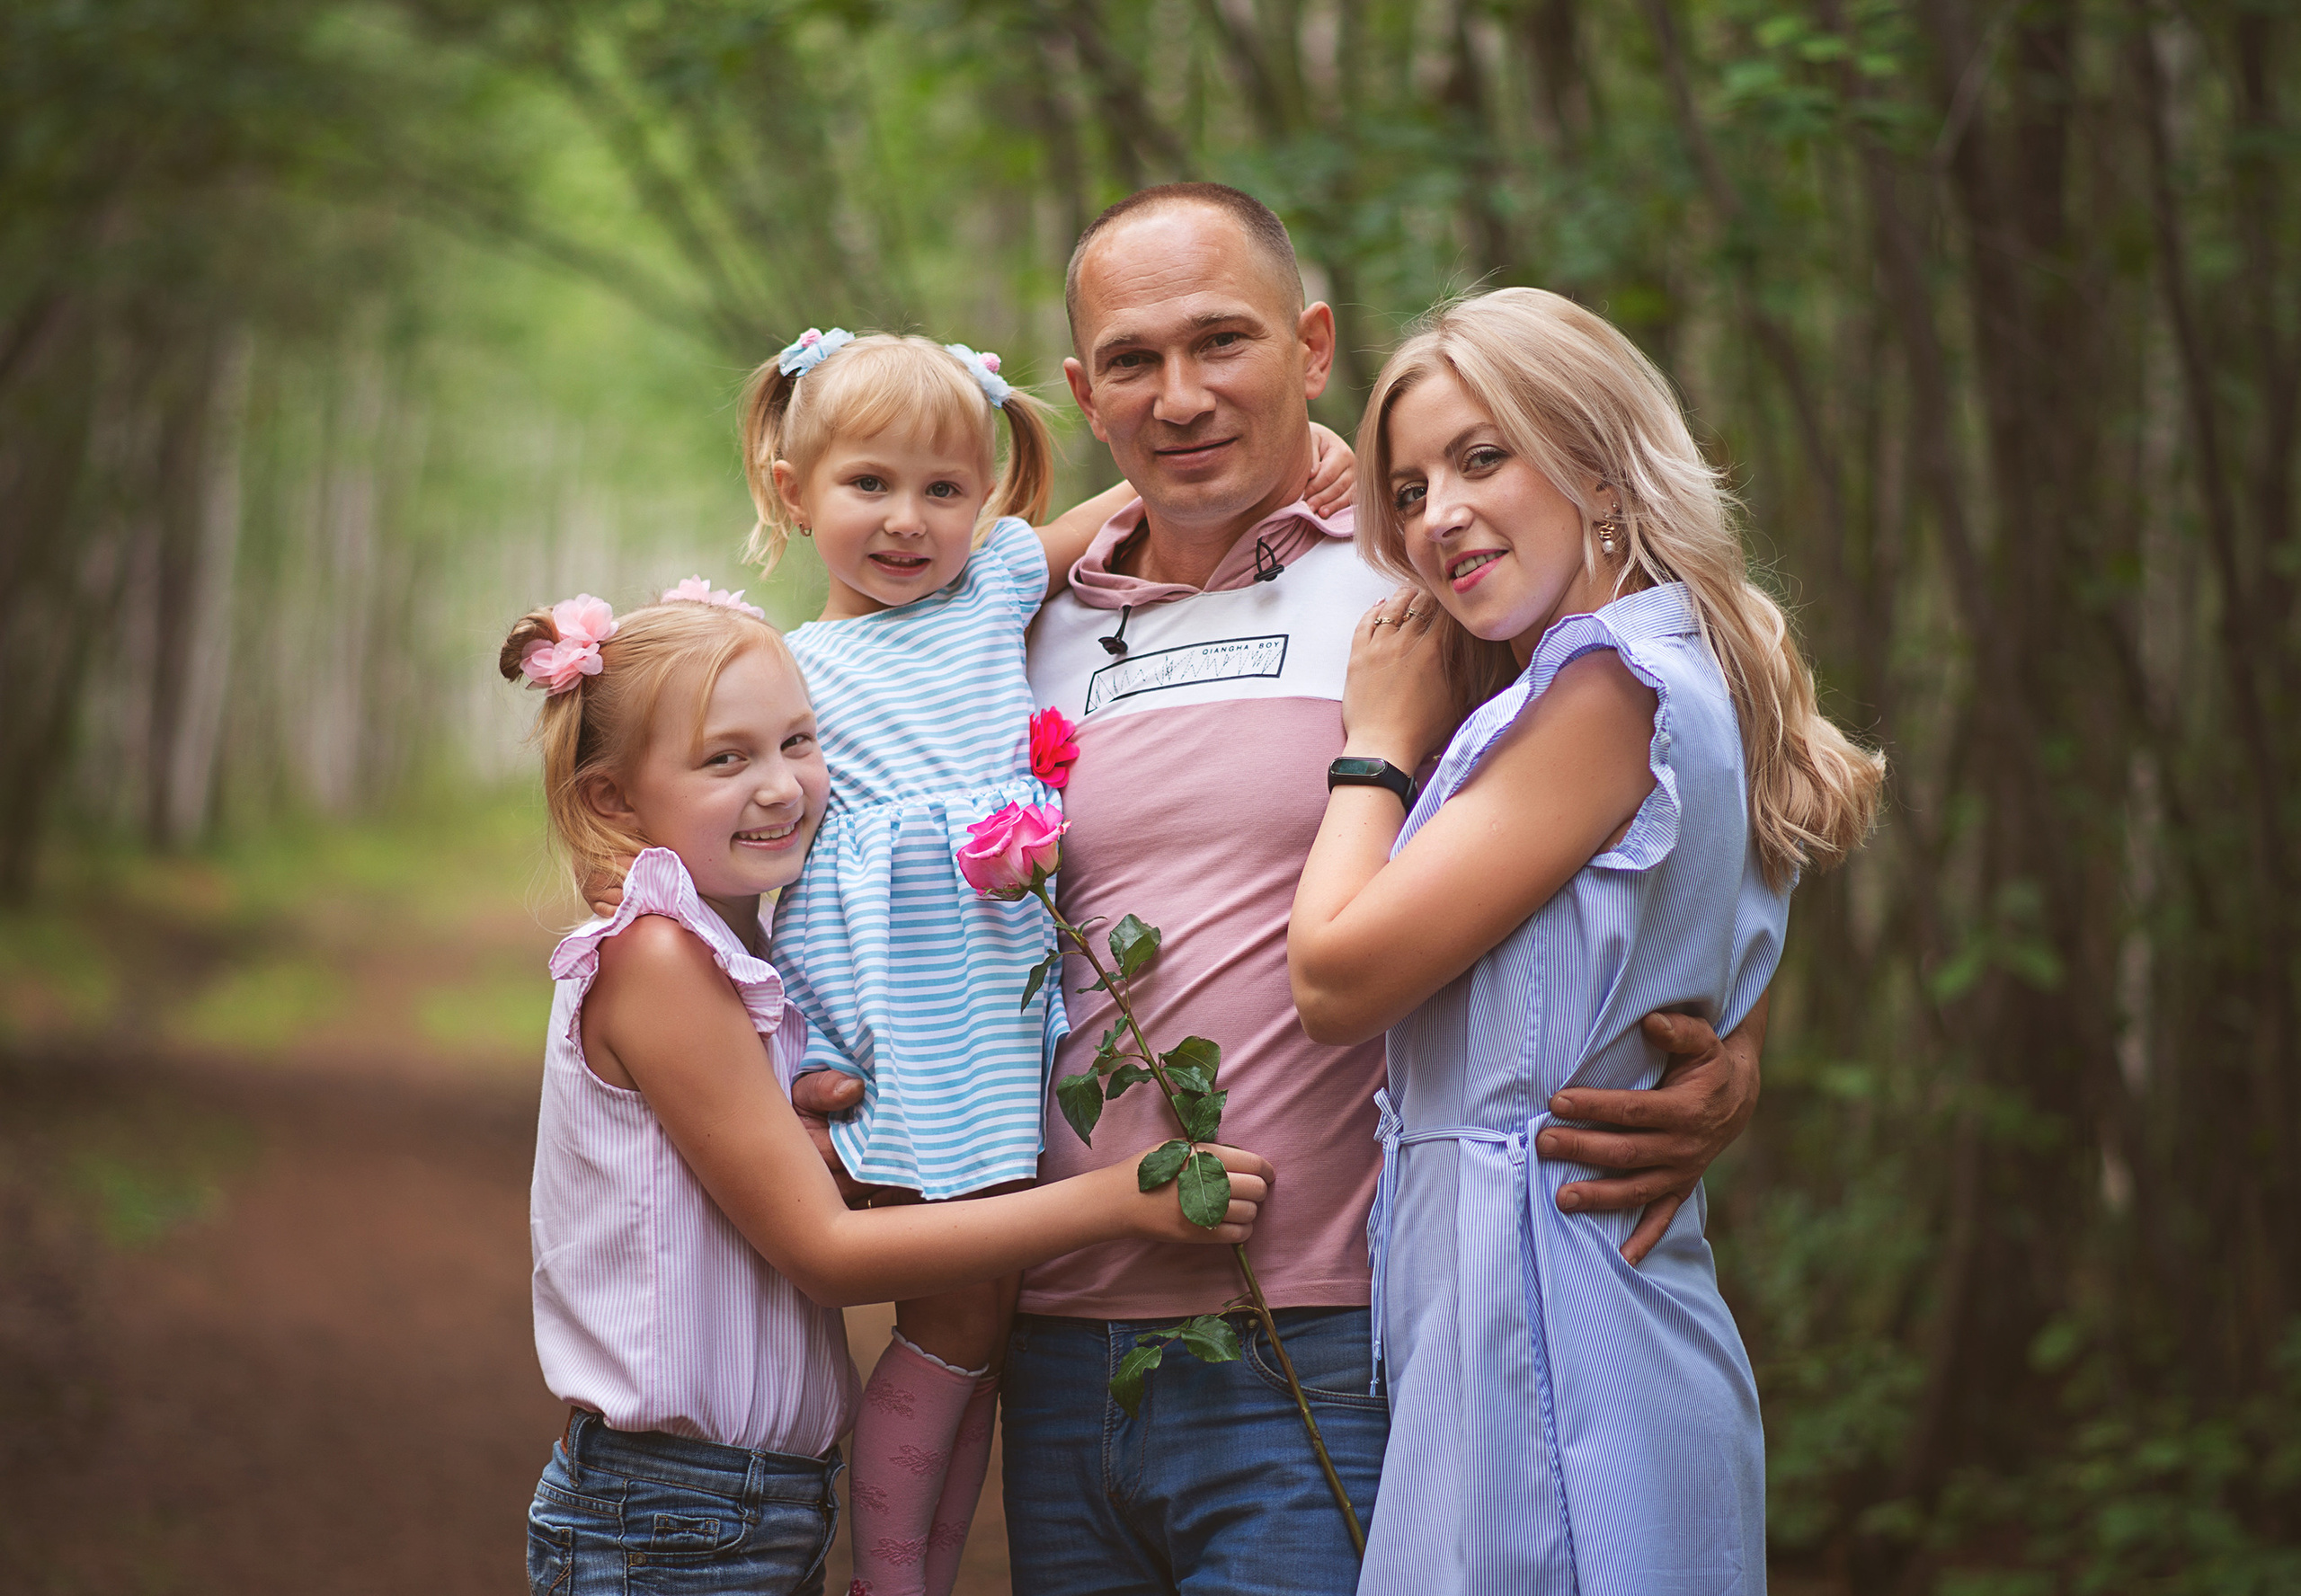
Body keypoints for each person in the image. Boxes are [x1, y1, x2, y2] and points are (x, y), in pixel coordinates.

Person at [791, 183, 1774, 1596]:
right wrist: (793, 1047)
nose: (1180, 395)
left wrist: (1725, 1041)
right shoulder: (1009, 614)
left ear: (1312, 345)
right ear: (1083, 392)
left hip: (1330, 1331)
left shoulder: (1426, 578)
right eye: (1133, 361)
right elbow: (780, 789)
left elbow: (1661, 819)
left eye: (1223, 343)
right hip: (1059, 1341)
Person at [736, 328, 1355, 1596]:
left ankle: (916, 1567)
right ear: (793, 494)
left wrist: (1326, 455)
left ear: (991, 500)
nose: (908, 522)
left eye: (944, 489)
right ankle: (896, 1574)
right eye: (869, 486)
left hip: (997, 1027)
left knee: (985, 1319)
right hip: (897, 1029)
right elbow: (704, 820)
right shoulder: (777, 671)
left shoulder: (1000, 591)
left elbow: (1136, 499)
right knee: (957, 1317)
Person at [501, 587, 1275, 1596]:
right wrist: (1114, 1200)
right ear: (613, 800)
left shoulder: (739, 958)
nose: (781, 787)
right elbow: (823, 1257)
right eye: (725, 759)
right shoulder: (658, 960)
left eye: (797, 741)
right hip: (670, 1517)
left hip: (735, 1506)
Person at [1288, 288, 1886, 1592]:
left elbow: (1334, 977)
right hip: (1564, 1302)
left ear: (1603, 468)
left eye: (1481, 456)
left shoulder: (1603, 688)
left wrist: (1378, 742)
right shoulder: (1664, 667)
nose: (1435, 512)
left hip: (1547, 1321)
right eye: (1406, 486)